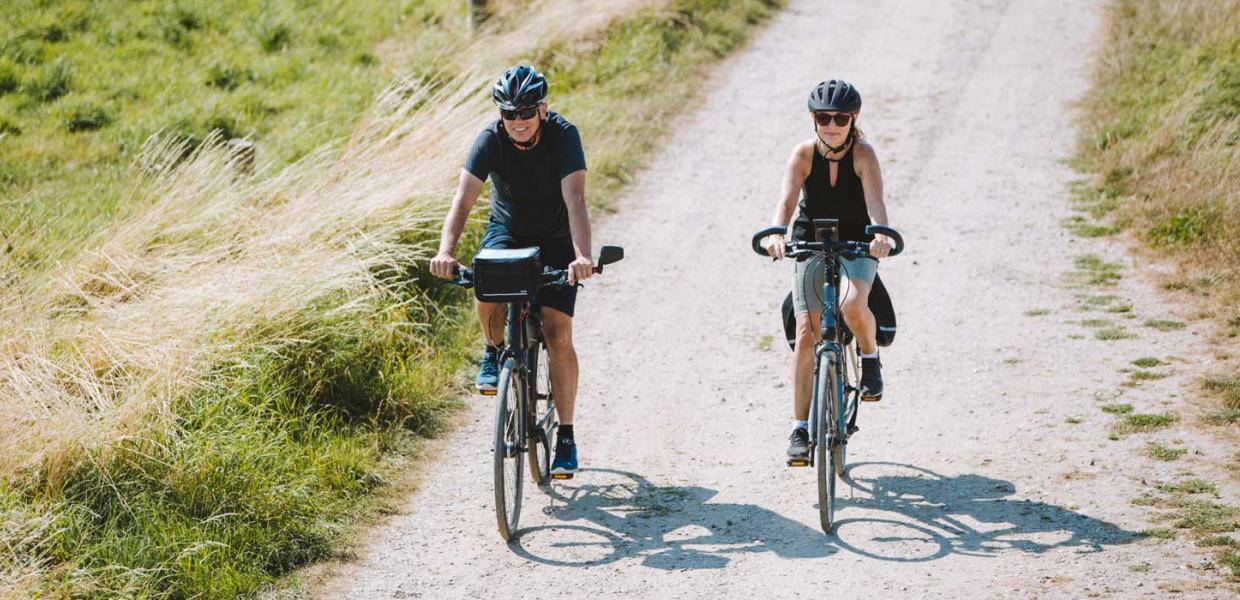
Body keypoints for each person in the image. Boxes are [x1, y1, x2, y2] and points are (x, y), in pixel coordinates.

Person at [430, 64, 594, 477]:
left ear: (543, 109)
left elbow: (575, 201)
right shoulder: (489, 139)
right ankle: (493, 349)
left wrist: (582, 256)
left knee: (557, 332)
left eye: (525, 112)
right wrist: (445, 251)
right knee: (484, 284)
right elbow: (463, 200)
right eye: (509, 113)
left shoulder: (564, 136)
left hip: (557, 239)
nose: (517, 121)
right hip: (508, 231)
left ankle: (567, 437)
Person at [762, 79, 895, 463]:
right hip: (812, 239)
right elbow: (785, 203)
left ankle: (869, 360)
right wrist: (775, 235)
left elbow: (876, 204)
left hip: (857, 240)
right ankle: (800, 429)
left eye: (840, 118)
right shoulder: (803, 155)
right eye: (823, 117)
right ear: (813, 119)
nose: (831, 125)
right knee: (807, 333)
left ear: (853, 120)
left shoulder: (863, 154)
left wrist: (881, 235)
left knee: (854, 305)